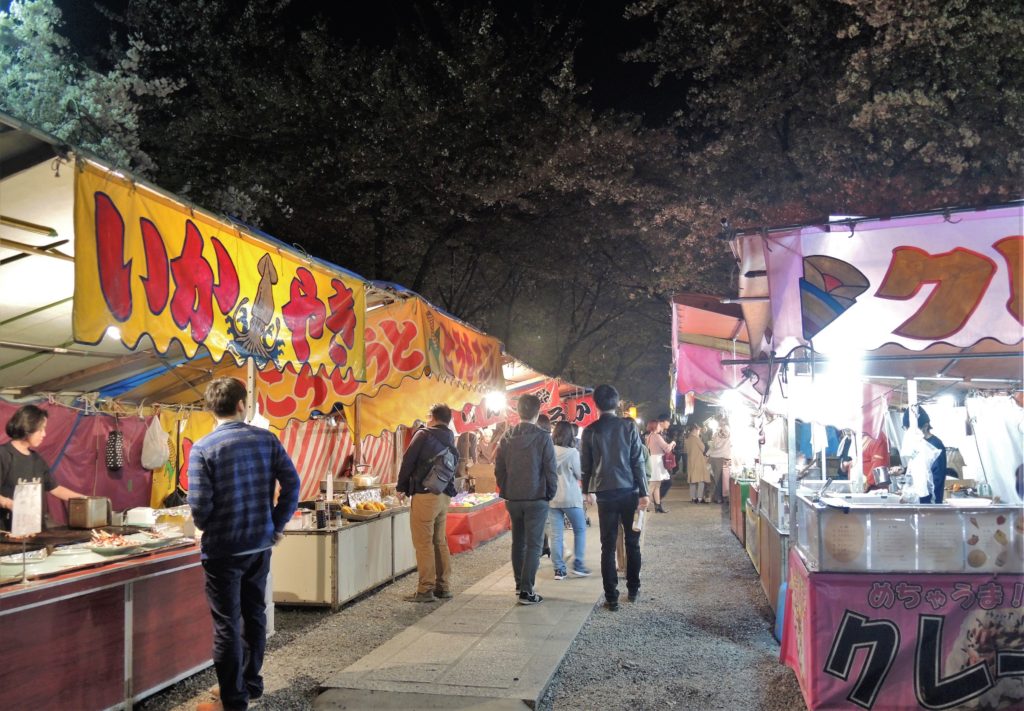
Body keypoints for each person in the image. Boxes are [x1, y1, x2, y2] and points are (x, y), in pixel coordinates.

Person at [187, 378, 300, 711]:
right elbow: (292, 484)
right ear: (241, 404)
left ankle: (234, 699)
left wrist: (207, 525)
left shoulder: (203, 448)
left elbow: (198, 504)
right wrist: (276, 524)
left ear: (210, 408)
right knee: (255, 614)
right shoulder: (266, 440)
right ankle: (252, 684)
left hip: (222, 549)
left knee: (226, 624)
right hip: (258, 545)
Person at [581, 384, 649, 612]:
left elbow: (586, 465)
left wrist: (586, 491)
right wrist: (644, 492)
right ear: (618, 403)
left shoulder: (590, 431)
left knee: (607, 546)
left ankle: (611, 596)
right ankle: (633, 589)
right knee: (632, 542)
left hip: (605, 493)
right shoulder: (628, 427)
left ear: (595, 404)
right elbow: (637, 461)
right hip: (629, 491)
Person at [494, 393, 557, 605]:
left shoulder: (506, 437)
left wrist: (505, 488)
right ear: (537, 413)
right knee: (534, 544)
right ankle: (527, 591)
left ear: (518, 412)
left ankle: (519, 584)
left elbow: (499, 469)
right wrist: (550, 492)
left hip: (513, 498)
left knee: (518, 541)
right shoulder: (543, 437)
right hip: (537, 497)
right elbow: (550, 469)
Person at [396, 403, 459, 602]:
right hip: (443, 494)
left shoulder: (423, 434)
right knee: (439, 541)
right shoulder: (450, 438)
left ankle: (425, 589)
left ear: (432, 416)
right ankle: (444, 586)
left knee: (423, 543)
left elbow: (408, 461)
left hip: (425, 494)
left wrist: (401, 487)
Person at [0, 404, 87, 532]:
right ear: (27, 428)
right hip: (6, 532)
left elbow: (55, 488)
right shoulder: (3, 455)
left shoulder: (37, 459)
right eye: (41, 430)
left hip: (35, 529)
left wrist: (85, 499)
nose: (44, 434)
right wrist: (9, 503)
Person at [548, 421, 590, 580]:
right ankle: (578, 564)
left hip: (553, 498)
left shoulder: (549, 451)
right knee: (580, 530)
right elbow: (579, 474)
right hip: (571, 497)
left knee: (556, 534)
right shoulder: (572, 452)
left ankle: (559, 569)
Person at [645, 416, 674, 513]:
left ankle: (657, 506)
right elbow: (667, 448)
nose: (659, 427)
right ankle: (646, 505)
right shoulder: (656, 436)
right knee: (653, 485)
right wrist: (673, 443)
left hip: (653, 460)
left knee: (656, 485)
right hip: (657, 461)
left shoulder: (649, 436)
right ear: (654, 426)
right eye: (657, 425)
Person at [707, 421, 732, 504]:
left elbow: (714, 445)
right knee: (722, 479)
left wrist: (707, 454)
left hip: (715, 457)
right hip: (723, 458)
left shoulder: (717, 433)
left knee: (717, 479)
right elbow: (719, 445)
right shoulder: (728, 432)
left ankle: (718, 497)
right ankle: (721, 498)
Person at [685, 424, 711, 503]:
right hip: (698, 461)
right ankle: (699, 498)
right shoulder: (696, 438)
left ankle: (693, 498)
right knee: (701, 480)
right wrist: (699, 438)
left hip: (690, 461)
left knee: (692, 481)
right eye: (699, 430)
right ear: (695, 430)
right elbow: (703, 448)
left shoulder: (687, 439)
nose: (699, 432)